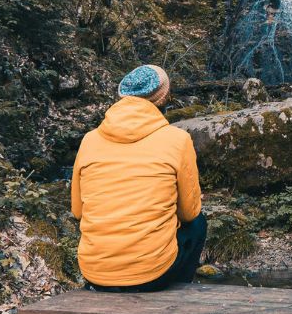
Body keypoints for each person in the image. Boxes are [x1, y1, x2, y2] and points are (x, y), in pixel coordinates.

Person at [70, 64, 207, 292]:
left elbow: (78, 211)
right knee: (198, 224)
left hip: (95, 273)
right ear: (163, 97)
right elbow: (189, 213)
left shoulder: (89, 140)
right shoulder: (177, 139)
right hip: (152, 275)